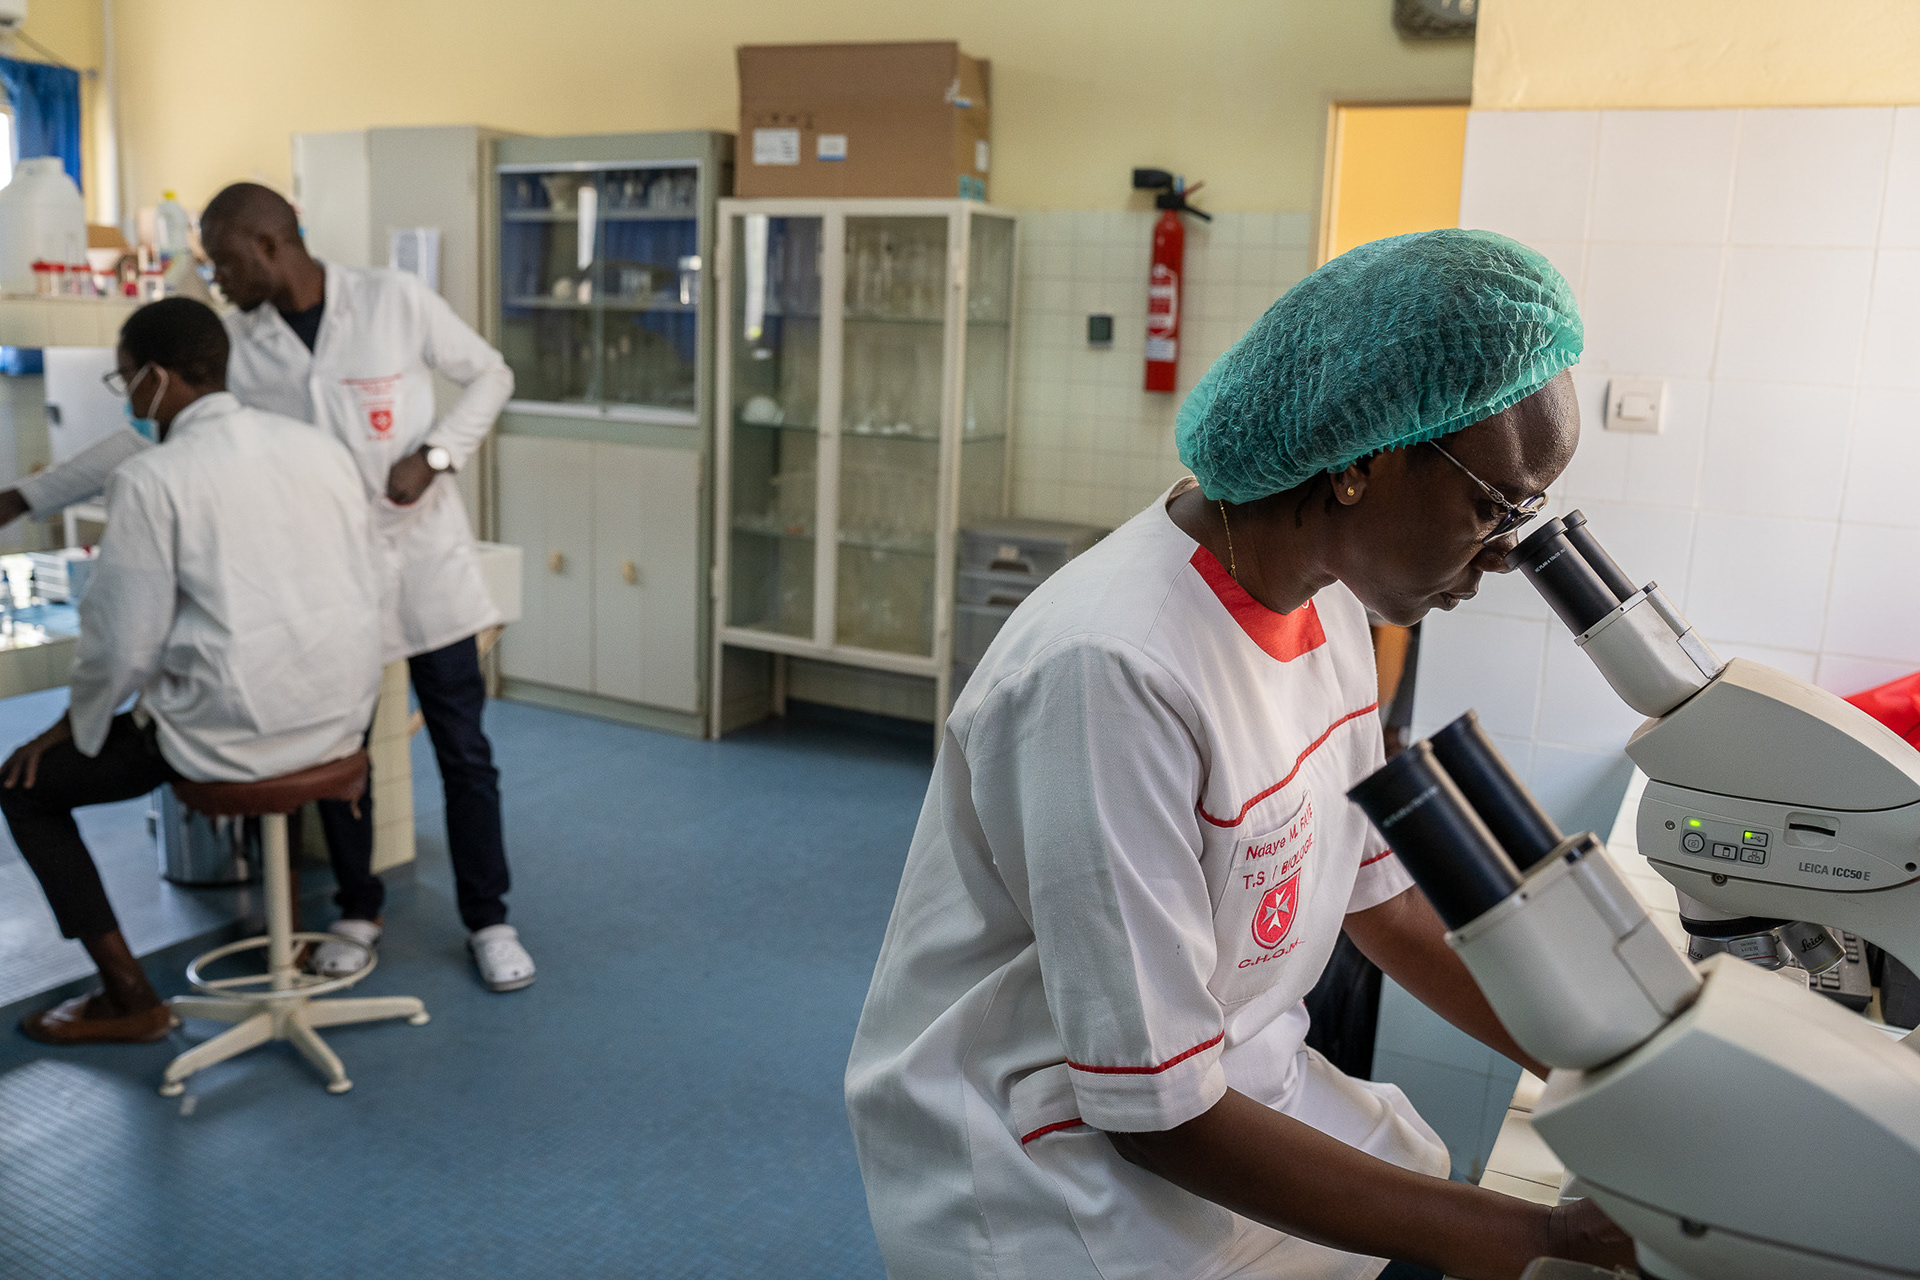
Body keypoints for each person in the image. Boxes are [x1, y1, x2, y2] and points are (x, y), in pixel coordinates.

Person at [845, 230, 1636, 1280]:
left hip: (1231, 1100)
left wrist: (1616, 1067)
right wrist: (1533, 1238)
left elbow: (1386, 907)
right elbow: (1157, 1112)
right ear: (1359, 462)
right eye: (1493, 506)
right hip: (1056, 1178)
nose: (1505, 555)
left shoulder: (1329, 604)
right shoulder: (1111, 669)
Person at [0, 183, 535, 993]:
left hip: (426, 568)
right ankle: (358, 912)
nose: (215, 279)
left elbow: (491, 373)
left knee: (464, 752)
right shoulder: (240, 346)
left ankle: (489, 920)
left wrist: (436, 456)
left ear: (268, 246)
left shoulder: (392, 299)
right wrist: (27, 497)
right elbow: (149, 436)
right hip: (333, 589)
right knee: (347, 747)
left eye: (222, 261)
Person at [1, 298, 382, 1044]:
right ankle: (286, 944)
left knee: (24, 787)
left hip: (234, 738)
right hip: (339, 722)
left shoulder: (155, 479)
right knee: (260, 694)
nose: (129, 400)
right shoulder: (320, 450)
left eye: (125, 382)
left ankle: (129, 997)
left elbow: (121, 647)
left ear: (155, 377)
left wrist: (68, 728)